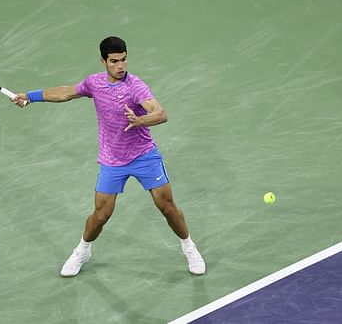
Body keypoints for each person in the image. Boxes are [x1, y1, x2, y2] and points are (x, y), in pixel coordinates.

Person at [13, 36, 206, 277]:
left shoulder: (135, 86)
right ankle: (83, 251)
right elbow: (66, 92)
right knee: (101, 215)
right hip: (111, 160)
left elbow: (161, 113)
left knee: (167, 206)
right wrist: (29, 96)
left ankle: (189, 247)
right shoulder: (94, 83)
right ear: (103, 61)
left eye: (124, 60)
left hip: (144, 156)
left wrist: (140, 121)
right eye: (114, 61)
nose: (121, 66)